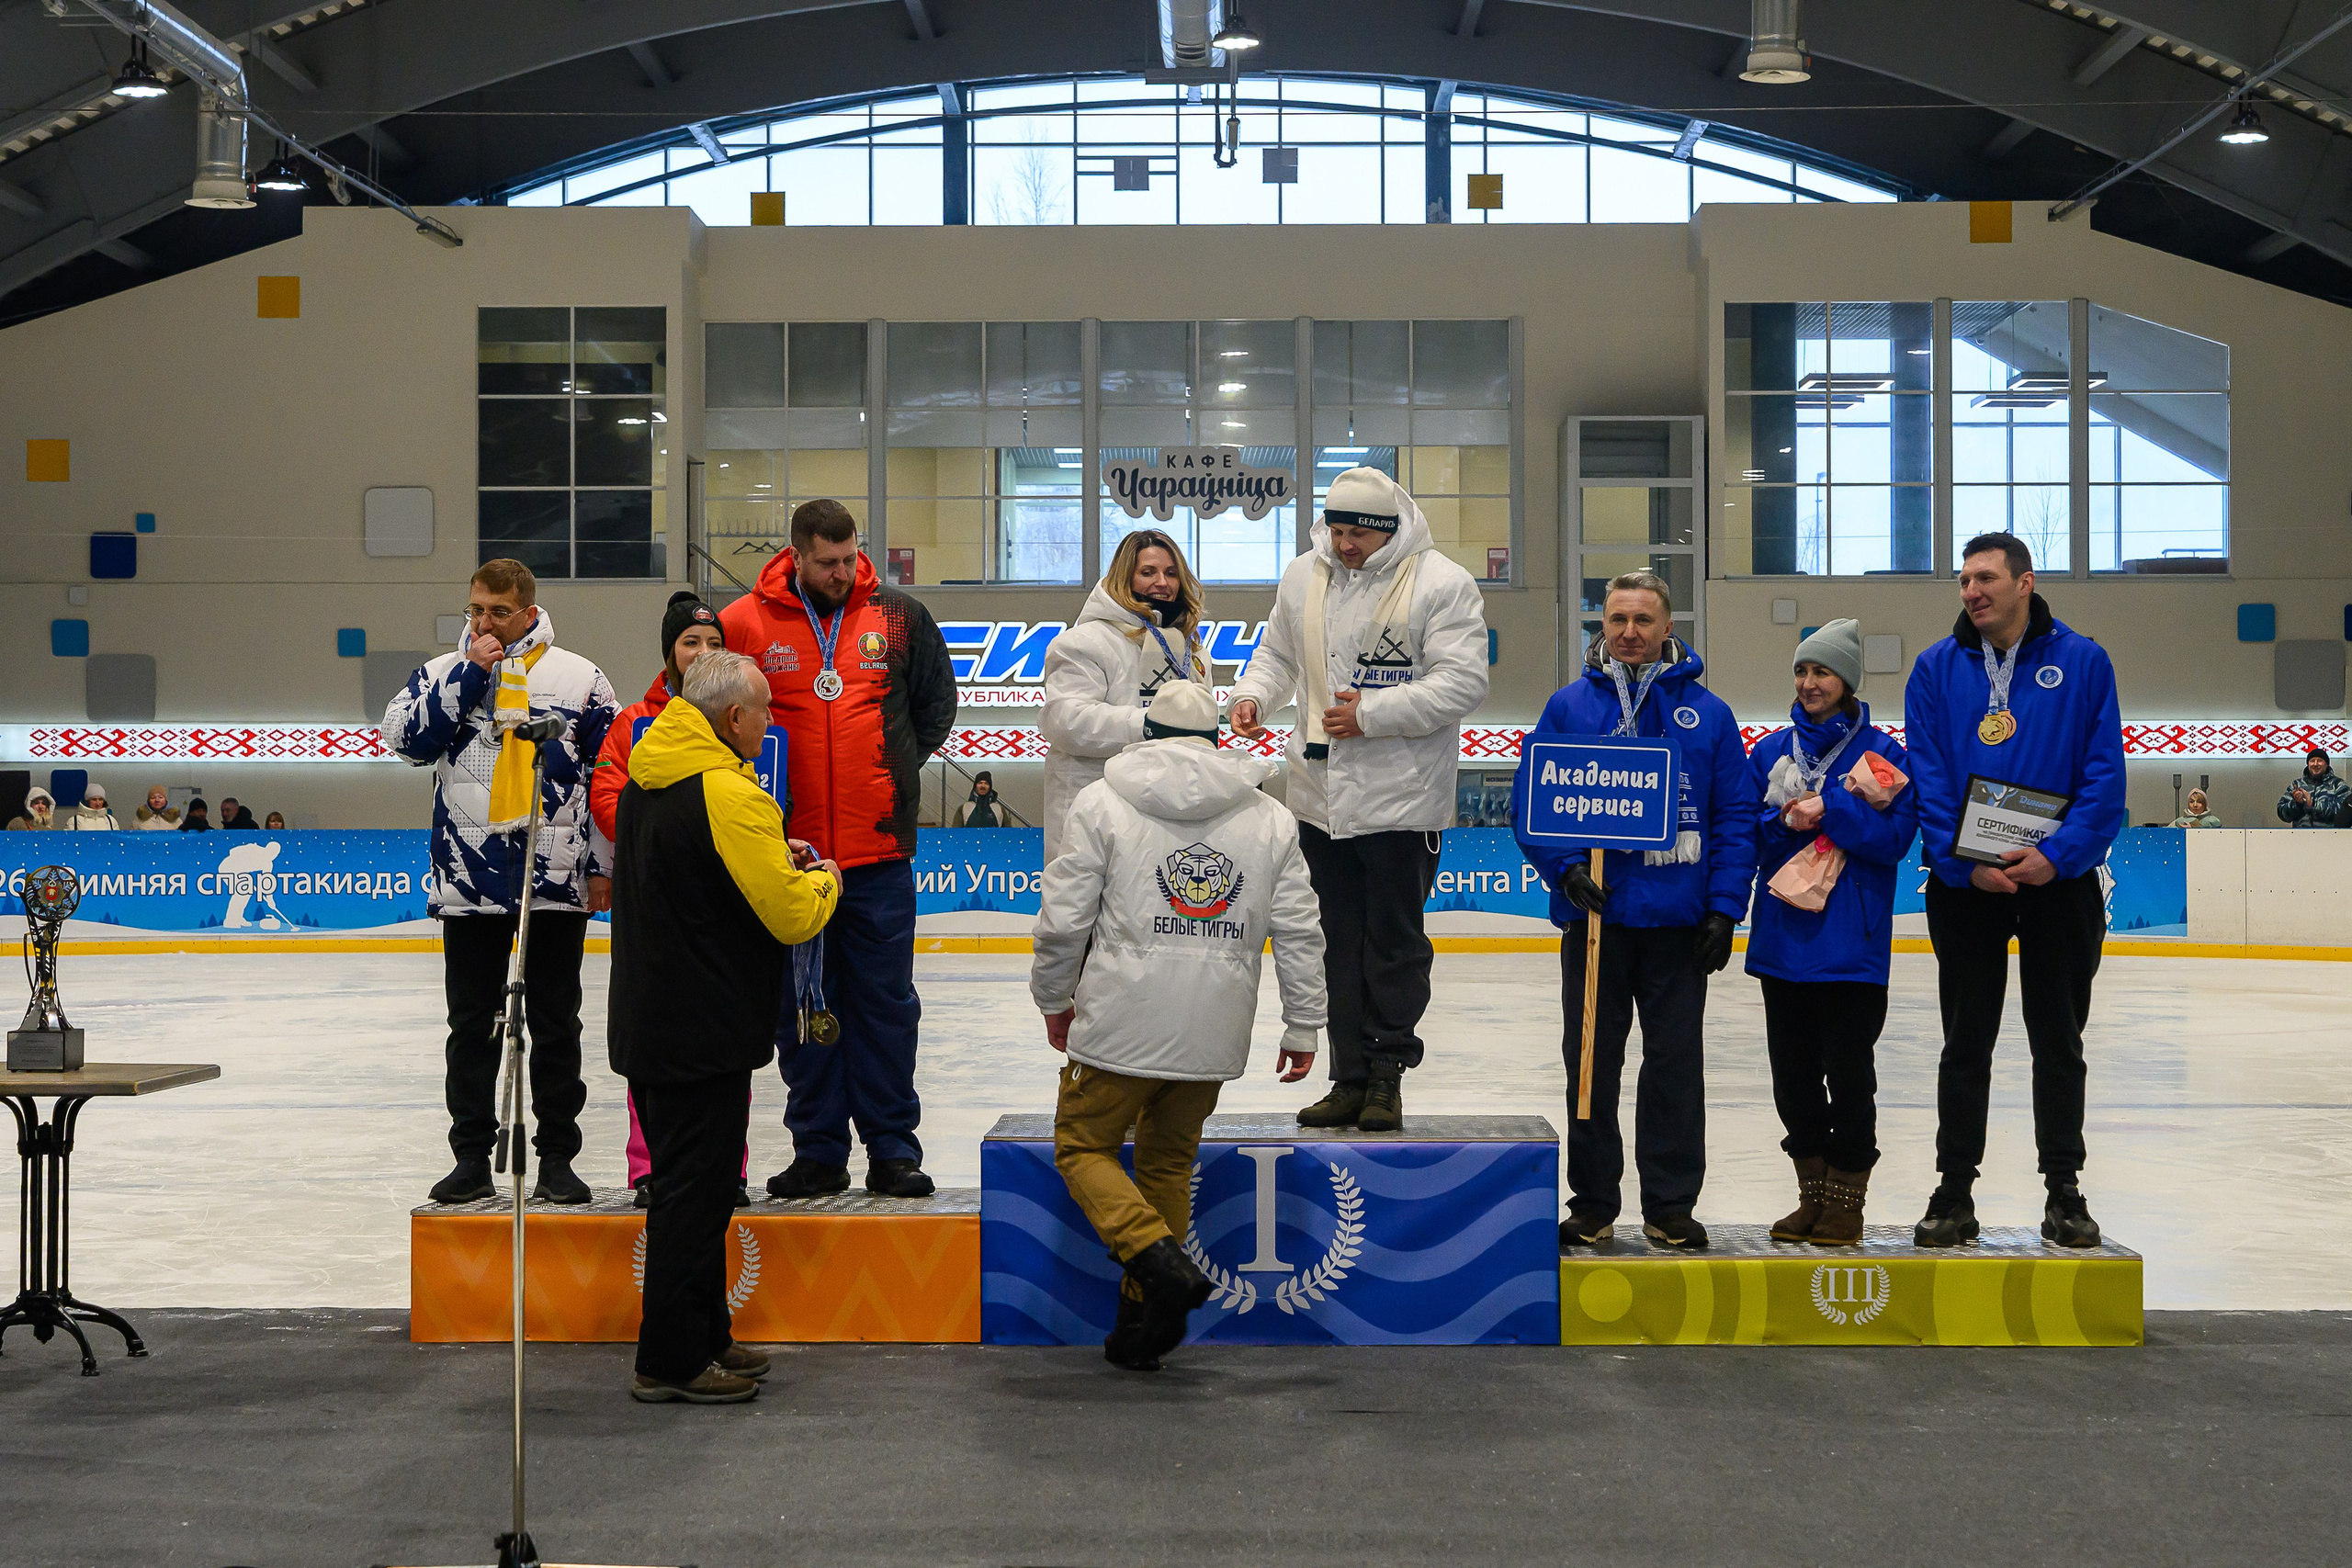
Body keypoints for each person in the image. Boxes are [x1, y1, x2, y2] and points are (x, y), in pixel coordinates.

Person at [1032, 682, 1325, 1371]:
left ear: (1145, 734)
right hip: (1212, 1028)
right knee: (1166, 1160)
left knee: (1082, 1145)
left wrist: (1053, 997)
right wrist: (1304, 1023)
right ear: (1217, 738)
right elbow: (1301, 929)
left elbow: (1065, 918)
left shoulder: (1101, 803)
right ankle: (1141, 1326)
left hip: (1119, 1023)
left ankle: (1157, 1261)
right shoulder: (1268, 816)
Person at [609, 651, 842, 1404]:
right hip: (703, 1024)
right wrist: (825, 879)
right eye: (767, 709)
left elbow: (704, 876)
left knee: (695, 1189)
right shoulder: (728, 793)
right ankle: (670, 1359)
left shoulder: (653, 775)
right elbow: (791, 911)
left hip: (654, 1016)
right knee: (694, 1196)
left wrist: (777, 857)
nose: (772, 720)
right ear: (733, 719)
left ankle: (706, 1332)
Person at [1229, 466, 1489, 1133]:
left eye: (1358, 534)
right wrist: (1252, 696)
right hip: (1319, 802)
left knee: (1392, 944)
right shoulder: (1302, 577)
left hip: (1402, 803)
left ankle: (1386, 1074)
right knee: (1332, 943)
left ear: (1391, 529)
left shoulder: (1442, 584)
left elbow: (1462, 682)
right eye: (1337, 530)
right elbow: (1277, 656)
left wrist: (1372, 713)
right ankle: (1347, 1075)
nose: (1345, 544)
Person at [720, 499, 956, 1200]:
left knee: (887, 1006)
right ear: (794, 555)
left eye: (849, 555)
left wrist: (889, 771)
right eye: (825, 561)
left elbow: (933, 711)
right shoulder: (744, 623)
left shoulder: (901, 617)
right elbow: (718, 722)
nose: (841, 570)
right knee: (803, 1008)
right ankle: (818, 1151)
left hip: (878, 856)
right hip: (788, 861)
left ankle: (893, 1149)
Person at [1516, 571, 1755, 1250]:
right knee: (1591, 1063)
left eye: (1643, 620)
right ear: (1602, 625)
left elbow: (1735, 815)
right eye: (1617, 618)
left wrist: (1723, 907)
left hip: (1677, 926)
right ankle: (1592, 1202)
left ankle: (1670, 1204)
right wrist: (1564, 868)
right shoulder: (1568, 707)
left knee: (1675, 1068)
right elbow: (1534, 805)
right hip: (1597, 924)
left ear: (1667, 628)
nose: (1629, 631)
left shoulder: (1707, 714)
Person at [1905, 532, 2124, 1251]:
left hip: (2055, 884)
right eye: (1965, 579)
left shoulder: (2085, 661)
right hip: (1968, 883)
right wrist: (1962, 864)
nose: (1972, 591)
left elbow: (2102, 777)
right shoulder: (1935, 668)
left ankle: (2064, 1188)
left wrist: (2057, 856)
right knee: (1965, 1042)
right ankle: (1953, 1188)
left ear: (2025, 582)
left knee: (2057, 1041)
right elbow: (1930, 778)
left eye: (1987, 578)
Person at [382, 558, 618, 1207]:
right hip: (469, 881)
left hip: (555, 880)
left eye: (497, 612)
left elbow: (609, 774)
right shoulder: (440, 673)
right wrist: (470, 672)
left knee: (555, 1022)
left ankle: (557, 1158)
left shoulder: (580, 678)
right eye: (475, 610)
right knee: (470, 1027)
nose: (484, 622)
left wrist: (602, 866)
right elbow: (407, 743)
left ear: (527, 611)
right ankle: (470, 1158)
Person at [1744, 620, 1917, 1247]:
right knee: (1790, 1076)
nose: (1809, 683)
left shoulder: (1886, 756)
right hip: (1782, 943)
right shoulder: (1769, 753)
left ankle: (1847, 1198)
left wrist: (1833, 809)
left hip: (1851, 948)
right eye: (1801, 671)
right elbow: (1749, 838)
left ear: (1847, 680)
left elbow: (1893, 841)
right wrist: (1784, 817)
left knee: (1848, 1074)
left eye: (1821, 671)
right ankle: (1812, 1194)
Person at [589, 590, 746, 1210]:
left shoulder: (742, 715)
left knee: (726, 1042)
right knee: (653, 1042)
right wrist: (671, 829)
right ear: (670, 654)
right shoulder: (633, 722)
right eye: (691, 642)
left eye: (713, 643)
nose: (703, 652)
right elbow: (607, 793)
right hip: (651, 903)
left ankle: (725, 1166)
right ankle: (650, 1165)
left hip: (723, 903)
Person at [1038, 528, 1208, 861]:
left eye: (1171, 573)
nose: (1163, 582)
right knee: (1078, 908)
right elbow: (1064, 721)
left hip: (1167, 807)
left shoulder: (1192, 648)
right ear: (1124, 577)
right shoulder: (1083, 641)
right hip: (1092, 808)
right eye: (1148, 572)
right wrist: (1149, 725)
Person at [2276, 749, 2351, 828]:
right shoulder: (2297, 784)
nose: (2315, 764)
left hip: (2330, 837)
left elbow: (2345, 815)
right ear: (2308, 764)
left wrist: (2313, 804)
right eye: (2312, 761)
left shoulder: (2339, 785)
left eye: (2319, 760)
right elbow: (2282, 814)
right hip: (2300, 837)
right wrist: (2297, 804)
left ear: (2326, 764)